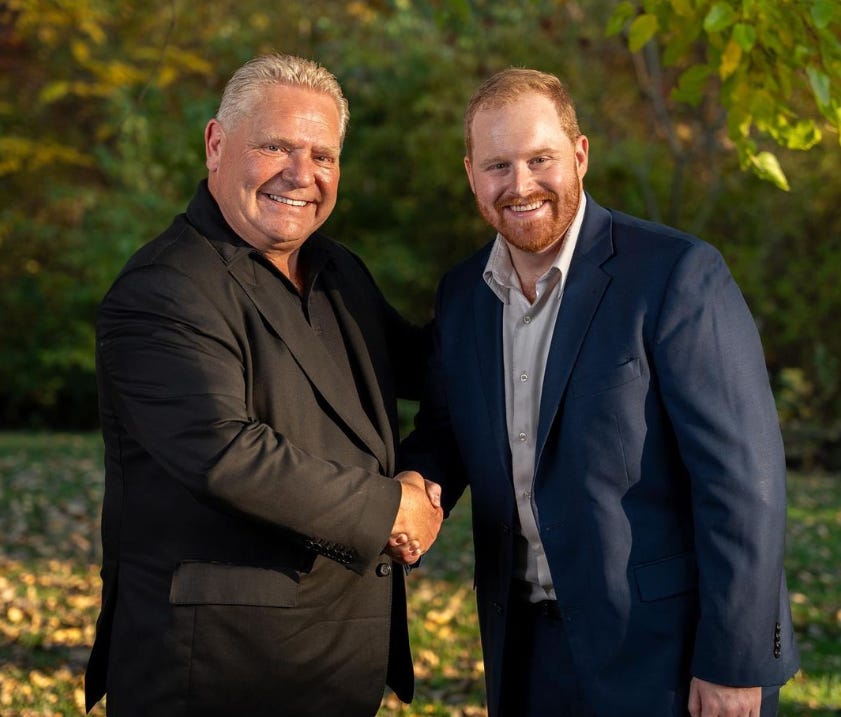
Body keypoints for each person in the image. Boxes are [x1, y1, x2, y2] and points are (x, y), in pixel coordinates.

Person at [401, 68, 799, 717]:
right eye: (498, 165)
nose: (520, 184)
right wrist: (415, 485)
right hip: (524, 654)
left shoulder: (672, 275)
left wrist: (734, 662)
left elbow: (742, 482)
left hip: (666, 660)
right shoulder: (463, 295)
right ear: (471, 173)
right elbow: (446, 431)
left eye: (539, 158)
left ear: (579, 154)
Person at [84, 53, 442, 717]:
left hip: (337, 665)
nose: (300, 175)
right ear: (216, 144)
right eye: (275, 145)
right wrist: (389, 507)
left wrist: (511, 282)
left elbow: (433, 372)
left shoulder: (339, 272)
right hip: (214, 671)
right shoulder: (164, 288)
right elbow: (227, 453)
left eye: (322, 155)